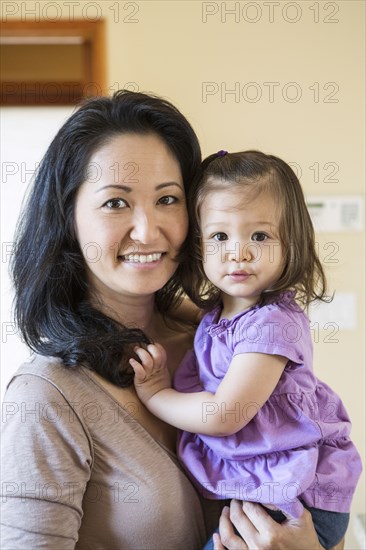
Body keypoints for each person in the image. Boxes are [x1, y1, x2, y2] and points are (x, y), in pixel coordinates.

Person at [0, 90, 342, 550]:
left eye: (168, 199)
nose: (148, 229)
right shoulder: (46, 398)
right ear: (68, 217)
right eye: (115, 203)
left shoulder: (226, 338)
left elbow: (316, 499)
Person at [130, 150, 362, 549]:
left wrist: (156, 394)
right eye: (220, 236)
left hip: (298, 495)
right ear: (199, 246)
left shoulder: (271, 327)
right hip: (272, 484)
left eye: (260, 235)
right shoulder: (221, 315)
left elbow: (225, 414)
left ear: (292, 243)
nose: (238, 252)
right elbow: (172, 306)